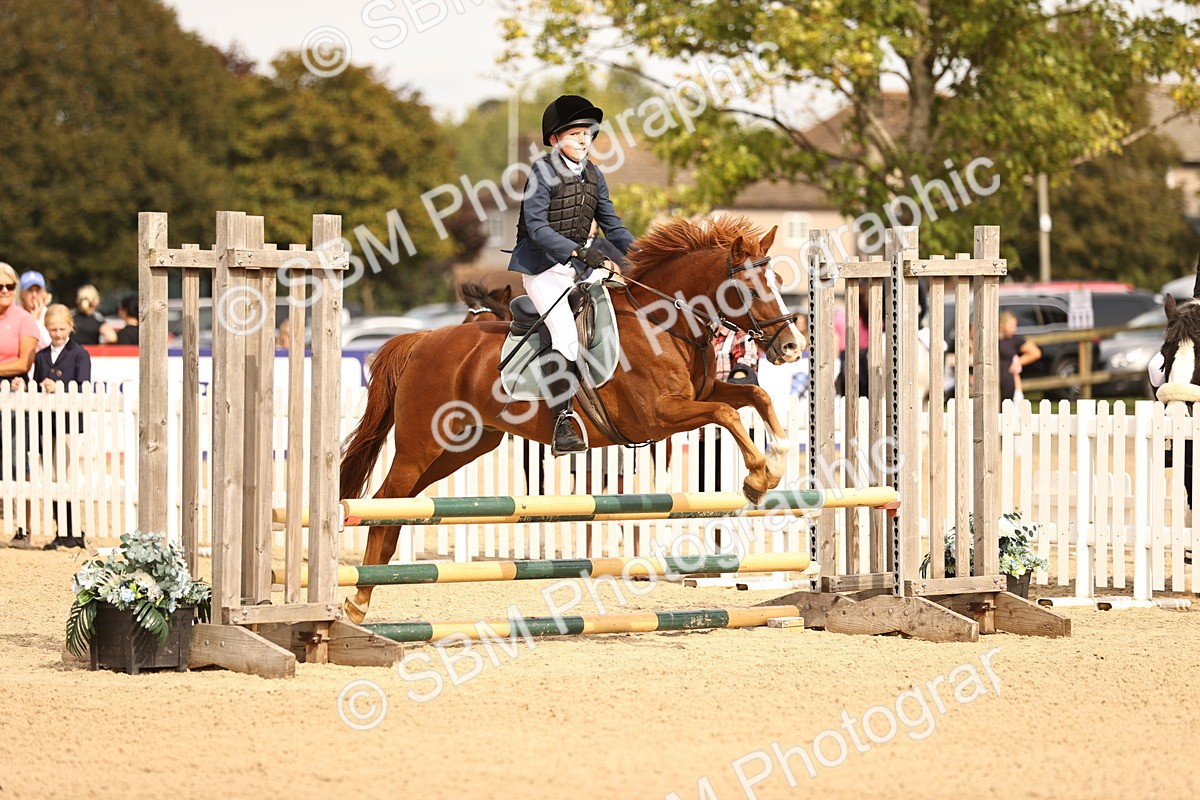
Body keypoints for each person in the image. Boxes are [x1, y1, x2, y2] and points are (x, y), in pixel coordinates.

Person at [508, 94, 636, 455]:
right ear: (555, 140)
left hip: (576, 269)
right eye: (576, 132)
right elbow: (536, 227)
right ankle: (562, 422)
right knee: (565, 335)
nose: (584, 139)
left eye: (588, 133)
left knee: (618, 313)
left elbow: (613, 226)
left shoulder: (594, 174)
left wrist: (645, 255)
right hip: (541, 269)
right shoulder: (541, 171)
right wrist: (580, 250)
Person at [27, 304, 91, 549]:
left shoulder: (79, 353)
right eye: (53, 329)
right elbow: (34, 382)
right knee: (53, 478)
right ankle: (61, 528)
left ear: (70, 327)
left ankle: (74, 529)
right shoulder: (41, 355)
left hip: (69, 424)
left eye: (62, 328)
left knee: (67, 476)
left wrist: (59, 387)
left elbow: (83, 384)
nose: (57, 334)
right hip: (48, 424)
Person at [0, 262, 41, 547]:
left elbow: (24, 362)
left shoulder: (24, 319)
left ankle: (22, 529)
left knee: (18, 460)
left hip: (15, 392)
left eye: (9, 286)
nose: (4, 290)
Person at [998, 309, 1041, 403]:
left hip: (1008, 384)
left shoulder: (1014, 340)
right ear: (1001, 324)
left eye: (1015, 326)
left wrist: (1018, 362)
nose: (1014, 329)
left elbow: (1035, 353)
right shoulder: (992, 339)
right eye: (1011, 326)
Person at [18, 270, 52, 352]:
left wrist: (35, 322)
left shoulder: (50, 315)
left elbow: (50, 347)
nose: (34, 295)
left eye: (38, 290)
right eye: (30, 290)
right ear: (22, 294)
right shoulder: (16, 314)